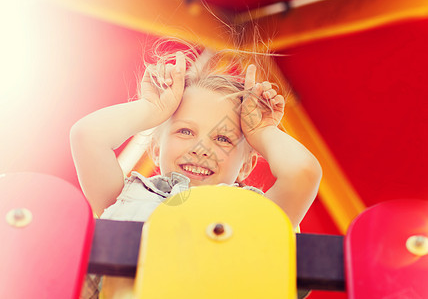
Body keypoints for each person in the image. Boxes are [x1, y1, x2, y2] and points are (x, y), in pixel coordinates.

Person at [70, 42, 322, 298]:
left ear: (247, 165)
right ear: (156, 149)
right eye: (185, 131)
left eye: (223, 139)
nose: (201, 149)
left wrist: (263, 131)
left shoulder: (255, 213)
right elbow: (87, 137)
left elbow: (302, 173)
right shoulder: (125, 195)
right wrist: (151, 108)